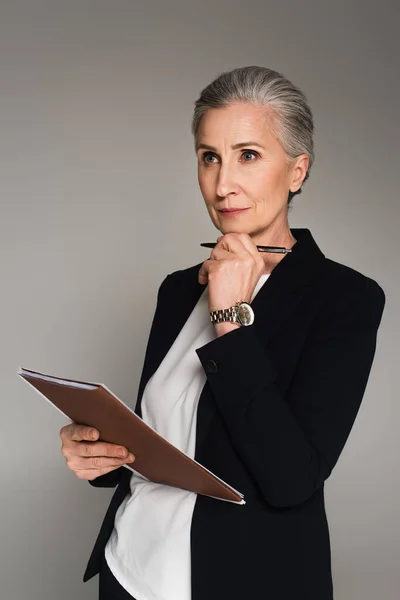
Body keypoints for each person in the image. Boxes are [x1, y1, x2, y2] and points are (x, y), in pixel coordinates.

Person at [59, 66, 386, 600]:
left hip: (243, 579)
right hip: (131, 570)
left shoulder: (345, 298)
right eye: (209, 157)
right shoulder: (177, 289)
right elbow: (172, 439)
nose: (222, 183)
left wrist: (230, 316)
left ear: (297, 171)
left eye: (248, 155)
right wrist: (98, 455)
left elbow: (290, 479)